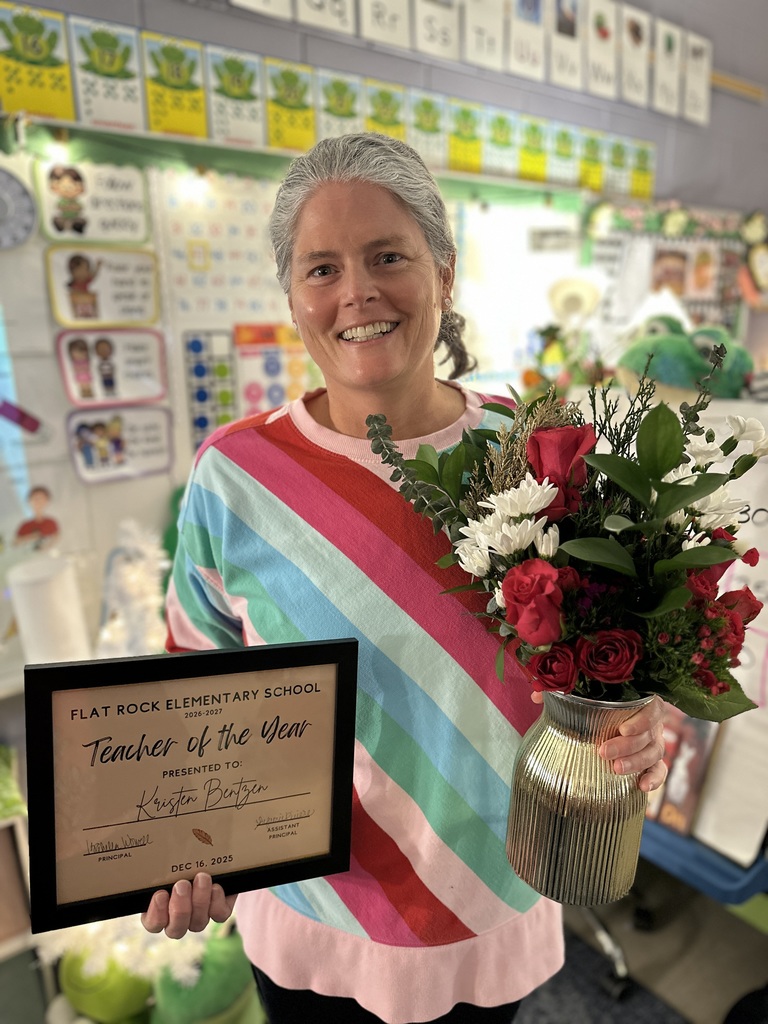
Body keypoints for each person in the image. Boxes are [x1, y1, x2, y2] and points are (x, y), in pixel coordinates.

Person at [142, 133, 666, 1024]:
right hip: (312, 917)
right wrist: (187, 848)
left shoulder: (537, 450)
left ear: (444, 273)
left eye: (389, 256)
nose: (357, 292)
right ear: (292, 297)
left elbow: (609, 656)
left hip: (491, 905)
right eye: (321, 268)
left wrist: (635, 721)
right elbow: (189, 694)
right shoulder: (234, 476)